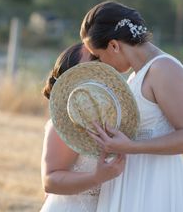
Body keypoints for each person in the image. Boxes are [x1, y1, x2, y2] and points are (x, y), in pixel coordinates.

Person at [80, 1, 183, 212]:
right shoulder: (135, 76)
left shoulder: (164, 69)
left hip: (155, 183)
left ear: (113, 45)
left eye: (99, 56)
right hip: (131, 180)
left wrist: (130, 147)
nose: (100, 63)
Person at [40, 43, 126, 212]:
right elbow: (50, 181)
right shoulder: (65, 121)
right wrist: (96, 177)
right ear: (71, 78)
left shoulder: (116, 118)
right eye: (94, 59)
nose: (102, 65)